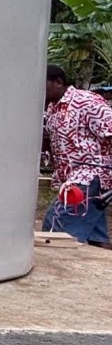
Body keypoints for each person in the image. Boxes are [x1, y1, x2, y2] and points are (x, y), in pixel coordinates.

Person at [43, 64, 112, 248]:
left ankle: (58, 266)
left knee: (56, 224)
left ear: (58, 82)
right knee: (96, 238)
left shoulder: (87, 102)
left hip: (91, 175)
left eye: (42, 84)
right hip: (74, 177)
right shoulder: (52, 108)